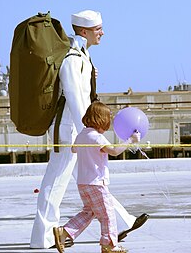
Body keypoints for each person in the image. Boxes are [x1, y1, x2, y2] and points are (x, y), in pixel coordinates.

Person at [30, 10, 148, 249]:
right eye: (98, 29)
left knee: (94, 183)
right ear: (84, 32)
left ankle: (124, 221)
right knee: (55, 182)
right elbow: (75, 99)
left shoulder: (81, 58)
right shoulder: (74, 59)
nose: (102, 33)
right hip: (70, 131)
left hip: (79, 130)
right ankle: (42, 237)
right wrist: (91, 133)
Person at [53, 102, 142, 253]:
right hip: (96, 183)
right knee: (108, 214)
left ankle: (64, 232)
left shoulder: (82, 135)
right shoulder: (97, 138)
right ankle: (109, 245)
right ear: (101, 120)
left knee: (89, 212)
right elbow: (114, 151)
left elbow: (74, 149)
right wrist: (130, 141)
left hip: (83, 183)